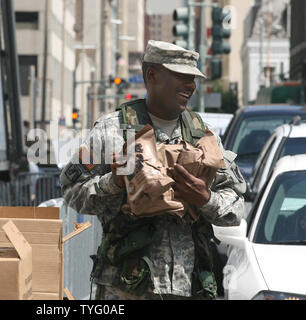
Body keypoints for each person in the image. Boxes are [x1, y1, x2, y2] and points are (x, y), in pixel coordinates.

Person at [60, 41, 246, 300]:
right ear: (152, 75)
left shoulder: (204, 136)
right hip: (126, 289)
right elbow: (71, 190)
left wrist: (205, 198)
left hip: (190, 288)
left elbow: (237, 208)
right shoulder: (110, 131)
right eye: (181, 76)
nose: (190, 85)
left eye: (193, 78)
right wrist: (114, 183)